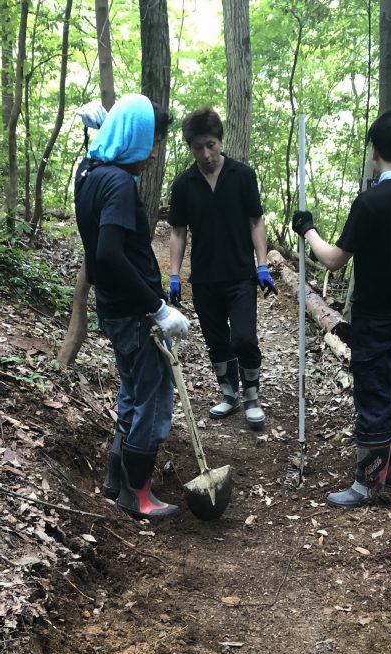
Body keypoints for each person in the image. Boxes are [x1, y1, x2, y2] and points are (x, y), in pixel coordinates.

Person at [292, 110, 391, 509]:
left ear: (375, 151)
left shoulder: (370, 202)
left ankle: (368, 483)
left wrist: (308, 230)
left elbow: (335, 260)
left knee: (373, 389)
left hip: (374, 310)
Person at [74, 94, 189, 520]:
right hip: (133, 310)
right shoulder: (120, 184)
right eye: (152, 140)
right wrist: (157, 307)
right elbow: (107, 254)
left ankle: (115, 479)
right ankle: (137, 494)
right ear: (135, 139)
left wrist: (105, 125)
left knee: (132, 391)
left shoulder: (90, 173)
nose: (155, 151)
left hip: (114, 309)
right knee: (155, 396)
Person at [168, 107, 277, 430]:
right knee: (216, 340)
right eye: (198, 147)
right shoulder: (184, 184)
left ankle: (252, 397)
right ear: (190, 147)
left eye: (211, 145)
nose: (206, 154)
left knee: (243, 337)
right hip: (204, 276)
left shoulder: (243, 176)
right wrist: (174, 274)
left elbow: (255, 220)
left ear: (220, 141)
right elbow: (177, 231)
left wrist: (262, 265)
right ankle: (228, 394)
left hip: (241, 274)